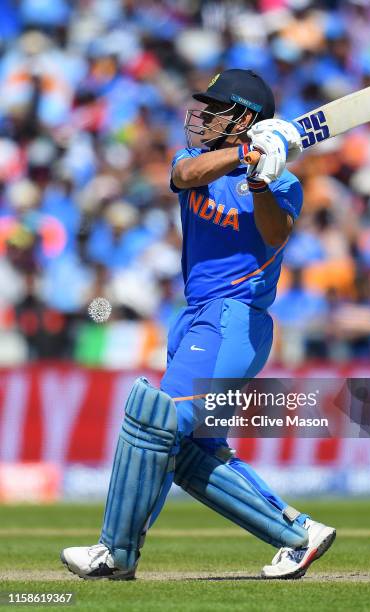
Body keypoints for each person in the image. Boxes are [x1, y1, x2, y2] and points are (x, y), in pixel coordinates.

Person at [61, 69, 336, 581]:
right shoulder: (195, 162)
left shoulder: (286, 181)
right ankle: (297, 534)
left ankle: (114, 551)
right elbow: (185, 178)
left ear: (245, 117)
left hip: (234, 319)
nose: (202, 117)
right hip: (194, 318)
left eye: (214, 109)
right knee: (190, 450)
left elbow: (275, 234)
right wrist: (243, 154)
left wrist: (259, 178)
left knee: (154, 419)